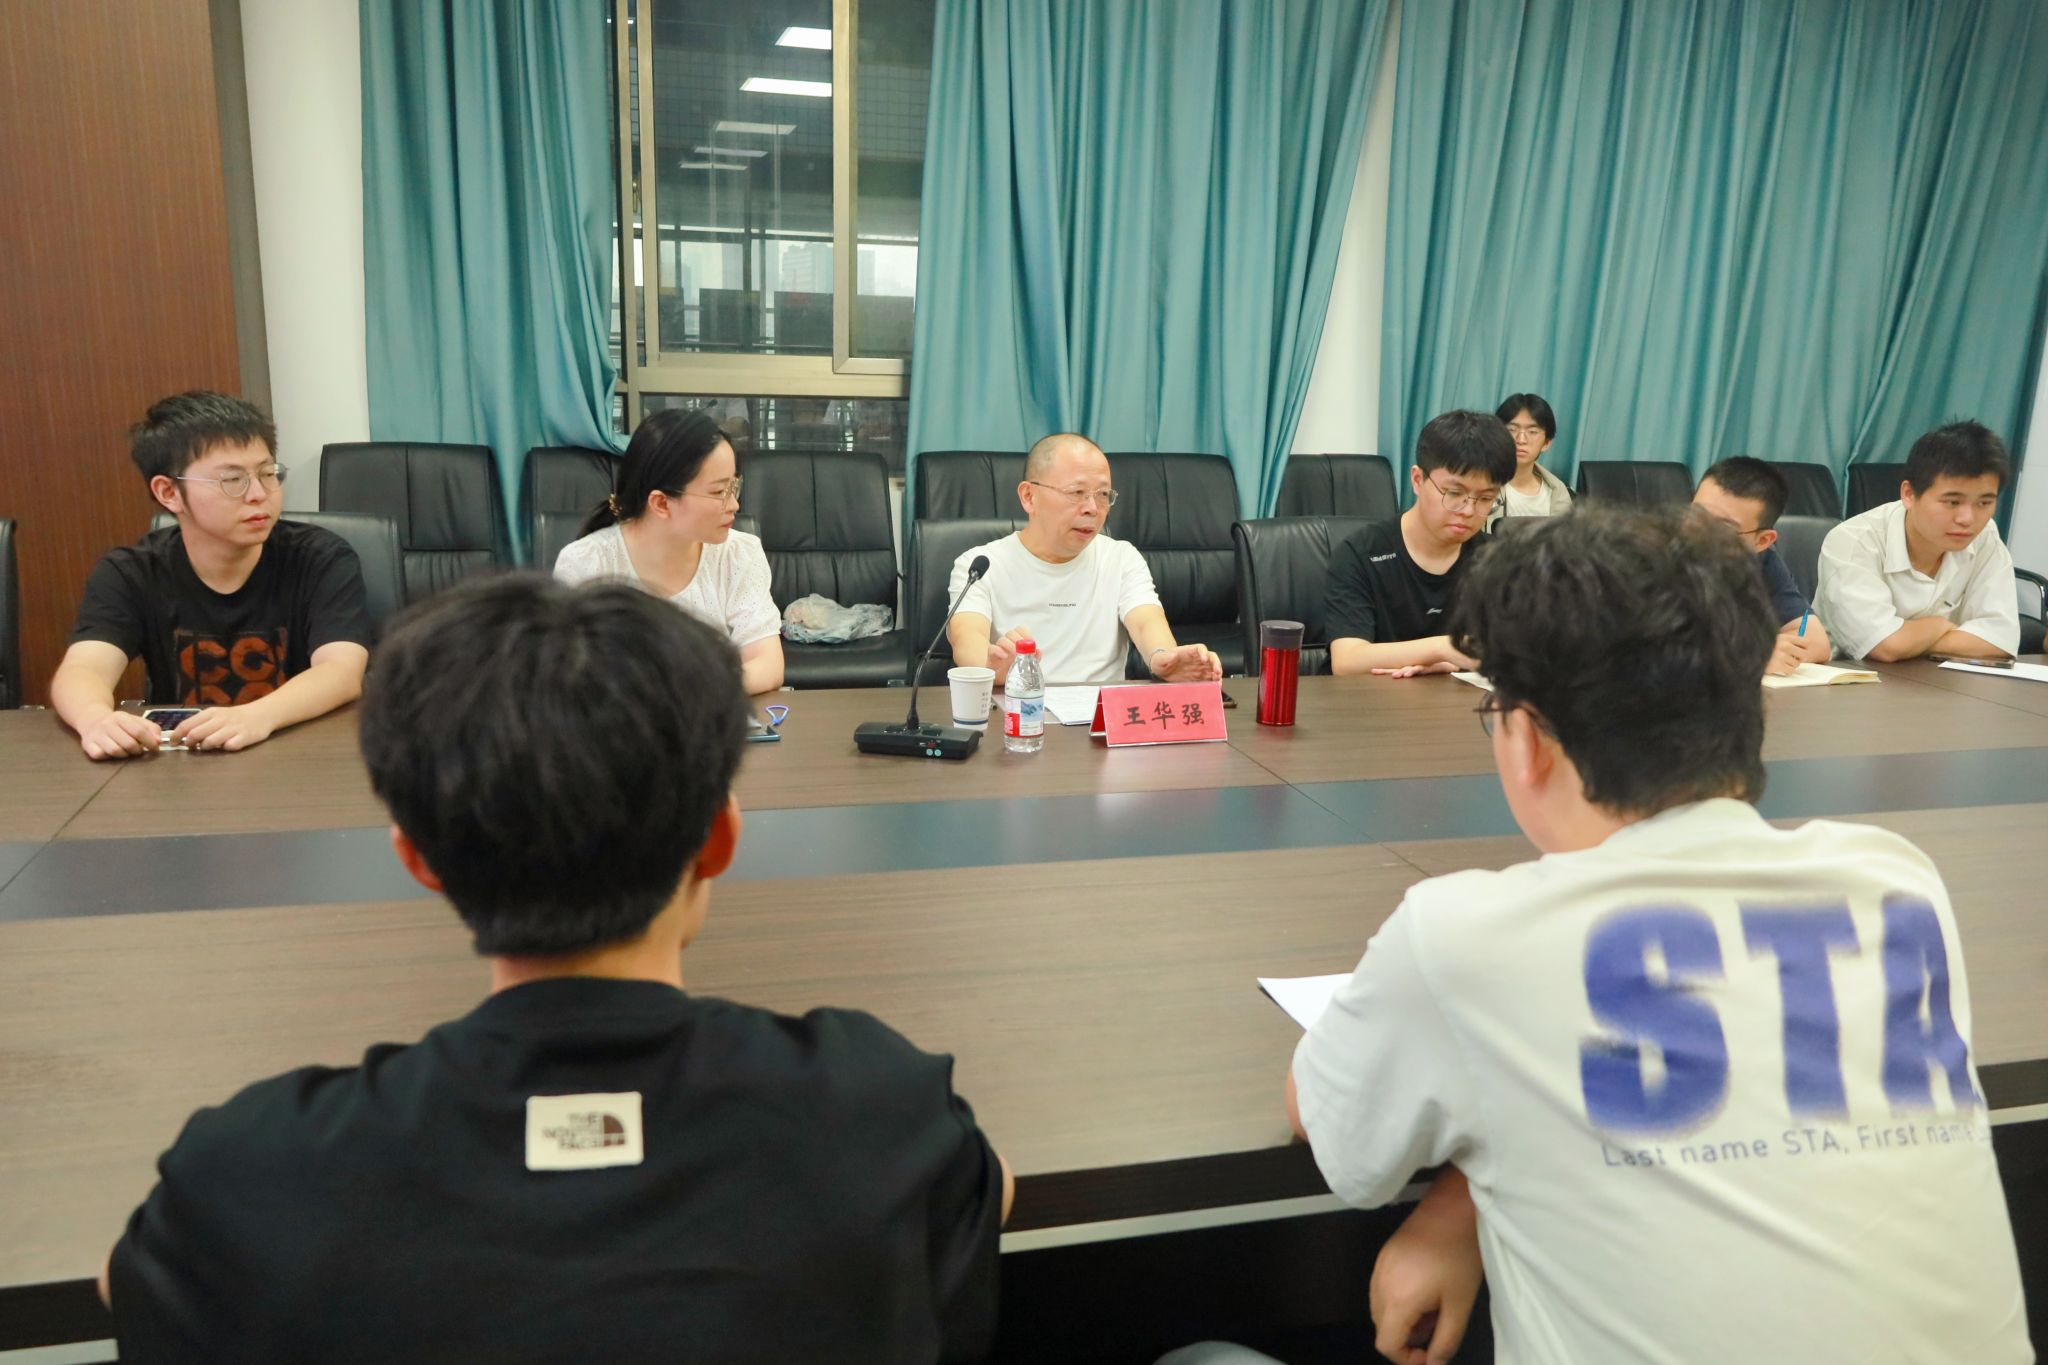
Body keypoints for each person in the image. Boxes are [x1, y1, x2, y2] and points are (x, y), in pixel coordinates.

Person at [101, 575, 1012, 1363]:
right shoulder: (880, 1106)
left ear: (419, 857)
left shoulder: (258, 1167)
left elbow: (128, 1278)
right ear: (719, 838)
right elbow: (987, 1188)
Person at [1285, 506, 2027, 1364]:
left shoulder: (1462, 938)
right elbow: (1754, 1101)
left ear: (1524, 741)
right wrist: (1460, 1207)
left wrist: (1458, 1194)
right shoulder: (1894, 884)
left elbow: (1322, 1112)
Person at [50, 391, 371, 759]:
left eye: (268, 473)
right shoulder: (130, 572)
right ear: (169, 492)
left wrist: (257, 716)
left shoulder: (320, 557)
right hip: (183, 761)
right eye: (232, 480)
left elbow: (341, 671)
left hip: (299, 753)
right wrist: (94, 719)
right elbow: (84, 668)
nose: (259, 494)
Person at [946, 433, 1222, 685]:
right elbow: (966, 639)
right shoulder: (979, 565)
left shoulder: (1120, 557)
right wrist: (989, 667)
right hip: (1021, 710)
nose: (1092, 508)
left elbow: (1146, 621)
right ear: (1029, 496)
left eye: (1103, 495)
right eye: (1076, 493)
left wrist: (1164, 658)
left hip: (1101, 715)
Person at [554, 407, 785, 694]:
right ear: (661, 503)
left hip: (711, 716)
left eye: (733, 486)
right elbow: (571, 681)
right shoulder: (586, 563)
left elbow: (767, 664)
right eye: (718, 492)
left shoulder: (738, 554)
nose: (734, 505)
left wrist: (682, 694)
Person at [1325, 411, 1513, 677]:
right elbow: (1347, 661)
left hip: (1457, 700)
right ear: (1417, 480)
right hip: (1369, 698)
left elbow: (1520, 651)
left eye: (1485, 499)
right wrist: (1441, 648)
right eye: (1454, 493)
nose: (1468, 511)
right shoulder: (1361, 554)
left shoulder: (1496, 559)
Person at [1815, 421, 2018, 662]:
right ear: (1909, 494)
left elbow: (2001, 640)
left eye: (1984, 503)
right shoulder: (1852, 540)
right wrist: (1940, 625)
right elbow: (1884, 646)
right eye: (1952, 502)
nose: (1967, 519)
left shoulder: (1985, 535)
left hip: (1937, 678)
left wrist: (1910, 639)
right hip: (1848, 675)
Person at [1691, 455, 1832, 673]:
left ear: (1762, 541)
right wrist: (1750, 657)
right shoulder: (1653, 553)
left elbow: (1815, 642)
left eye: (1723, 528)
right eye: (1696, 515)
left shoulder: (1762, 562)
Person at [1487, 393, 1572, 529]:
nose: (1521, 440)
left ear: (1546, 443)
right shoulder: (1479, 485)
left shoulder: (1557, 492)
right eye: (1511, 430)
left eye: (1532, 432)